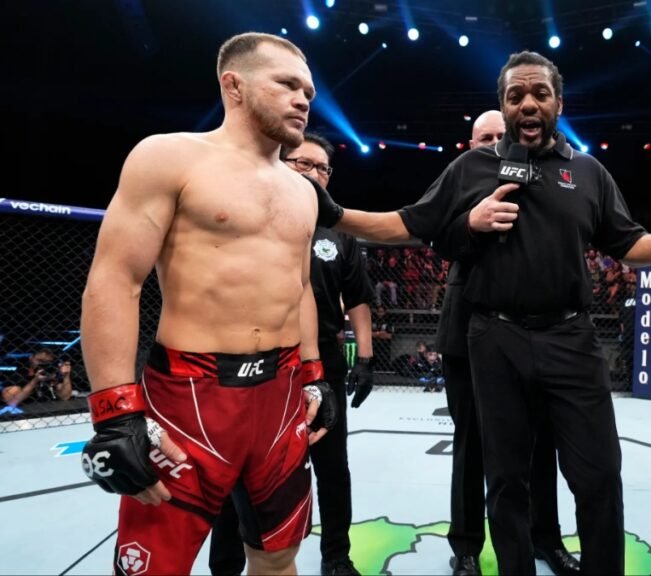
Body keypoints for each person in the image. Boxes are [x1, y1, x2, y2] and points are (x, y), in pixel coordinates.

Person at [315, 52, 651, 575]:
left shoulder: (587, 172)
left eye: (538, 94)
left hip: (571, 337)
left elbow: (634, 246)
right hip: (493, 338)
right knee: (505, 479)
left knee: (598, 474)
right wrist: (333, 212)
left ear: (557, 103)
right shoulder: (470, 168)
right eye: (515, 95)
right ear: (502, 103)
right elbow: (405, 224)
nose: (527, 103)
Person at [78, 32, 338, 576]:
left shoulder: (302, 192)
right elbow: (115, 279)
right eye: (287, 84)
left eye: (308, 91)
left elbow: (298, 288)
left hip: (282, 392)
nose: (303, 99)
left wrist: (314, 374)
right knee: (152, 568)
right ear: (234, 85)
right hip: (189, 397)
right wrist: (113, 412)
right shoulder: (169, 156)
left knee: (278, 556)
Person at [208, 131, 375, 576]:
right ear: (281, 163)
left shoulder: (338, 234)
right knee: (237, 473)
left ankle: (336, 558)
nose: (313, 173)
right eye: (303, 163)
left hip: (323, 361)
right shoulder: (252, 218)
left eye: (322, 167)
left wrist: (366, 358)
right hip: (255, 362)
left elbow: (357, 297)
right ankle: (224, 564)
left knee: (331, 467)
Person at [437, 110, 580, 576]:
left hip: (540, 335)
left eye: (502, 135)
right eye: (486, 137)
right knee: (472, 443)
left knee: (540, 445)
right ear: (471, 143)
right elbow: (434, 233)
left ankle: (545, 538)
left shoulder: (538, 179)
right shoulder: (461, 180)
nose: (496, 142)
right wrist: (470, 223)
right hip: (470, 332)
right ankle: (465, 548)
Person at [0, 348, 74, 415]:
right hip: (25, 415)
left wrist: (66, 376)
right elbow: (12, 402)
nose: (42, 364)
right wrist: (35, 380)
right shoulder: (19, 374)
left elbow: (65, 397)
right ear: (31, 358)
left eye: (47, 362)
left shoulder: (51, 373)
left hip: (51, 413)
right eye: (40, 361)